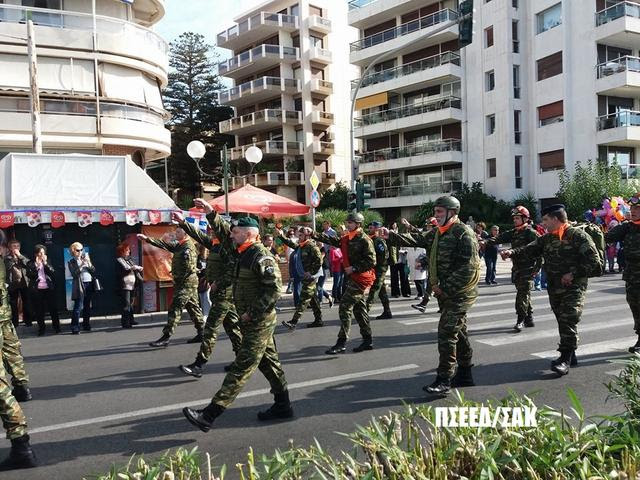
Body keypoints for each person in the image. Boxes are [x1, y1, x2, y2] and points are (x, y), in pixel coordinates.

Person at [182, 215, 292, 431]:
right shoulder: (243, 253)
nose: (231, 234)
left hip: (259, 321)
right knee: (269, 363)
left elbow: (274, 289)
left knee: (242, 366)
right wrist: (218, 283)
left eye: (236, 232)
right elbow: (233, 275)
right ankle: (283, 405)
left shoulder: (260, 256)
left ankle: (209, 414)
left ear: (248, 233)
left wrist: (251, 313)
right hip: (250, 320)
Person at [386, 196, 480, 395]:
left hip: (460, 293)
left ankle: (444, 378)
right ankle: (465, 373)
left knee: (446, 332)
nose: (436, 216)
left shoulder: (463, 233)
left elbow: (469, 268)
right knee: (459, 333)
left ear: (452, 213)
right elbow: (417, 238)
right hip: (445, 293)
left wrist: (443, 287)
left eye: (439, 212)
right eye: (436, 212)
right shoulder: (438, 232)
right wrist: (390, 235)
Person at [502, 204, 600, 376]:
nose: (543, 223)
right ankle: (571, 354)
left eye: (546, 219)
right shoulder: (547, 238)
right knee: (562, 320)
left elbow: (595, 263)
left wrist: (573, 273)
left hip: (574, 286)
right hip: (554, 287)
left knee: (568, 317)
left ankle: (564, 359)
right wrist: (511, 252)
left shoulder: (578, 236)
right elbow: (529, 250)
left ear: (556, 219)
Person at [173, 206, 242, 378]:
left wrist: (219, 282)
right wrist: (183, 222)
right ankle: (243, 360)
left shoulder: (229, 248)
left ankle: (199, 364)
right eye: (210, 230)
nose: (210, 232)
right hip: (219, 293)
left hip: (224, 294)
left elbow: (232, 271)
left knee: (210, 328)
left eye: (213, 230)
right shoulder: (215, 245)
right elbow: (198, 235)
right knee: (233, 328)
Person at [313, 212, 376, 354]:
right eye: (347, 222)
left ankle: (341, 342)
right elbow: (333, 241)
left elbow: (372, 261)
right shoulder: (347, 238)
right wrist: (313, 234)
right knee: (359, 310)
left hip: (360, 278)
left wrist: (354, 268)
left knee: (345, 306)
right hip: (352, 278)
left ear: (358, 224)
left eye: (351, 222)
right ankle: (368, 340)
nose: (348, 224)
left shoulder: (364, 239)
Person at [0, 230, 37, 471]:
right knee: (12, 354)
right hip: (3, 320)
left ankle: (21, 445)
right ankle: (22, 386)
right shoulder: (3, 261)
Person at [138, 228, 204, 347]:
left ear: (185, 234)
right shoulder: (180, 245)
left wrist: (177, 277)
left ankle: (166, 336)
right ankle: (202, 333)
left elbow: (189, 269)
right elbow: (164, 244)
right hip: (184, 283)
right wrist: (147, 239)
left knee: (175, 307)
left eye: (178, 232)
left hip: (186, 283)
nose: (175, 233)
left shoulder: (188, 248)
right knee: (193, 308)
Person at [483, 207, 541, 331]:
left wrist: (537, 268)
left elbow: (538, 250)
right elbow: (499, 238)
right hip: (517, 268)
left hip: (528, 268)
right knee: (525, 294)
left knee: (521, 295)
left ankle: (520, 320)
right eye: (514, 218)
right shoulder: (515, 232)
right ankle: (529, 318)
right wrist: (485, 242)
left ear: (525, 218)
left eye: (517, 218)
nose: (515, 220)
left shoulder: (531, 233)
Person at [605, 194, 640, 353]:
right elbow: (607, 237)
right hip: (632, 276)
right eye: (632, 208)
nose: (633, 211)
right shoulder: (627, 227)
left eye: (637, 208)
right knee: (635, 306)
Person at [277, 226, 323, 329]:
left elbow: (319, 261)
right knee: (314, 300)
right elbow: (290, 243)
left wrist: (310, 272)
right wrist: (281, 236)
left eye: (301, 235)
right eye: (299, 234)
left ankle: (293, 322)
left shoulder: (311, 246)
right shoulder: (301, 246)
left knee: (303, 300)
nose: (299, 236)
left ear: (307, 235)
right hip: (304, 276)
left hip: (310, 278)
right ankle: (318, 320)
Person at [26, 245, 60, 335]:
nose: (41, 254)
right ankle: (41, 329)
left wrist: (45, 264)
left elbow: (53, 273)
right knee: (39, 311)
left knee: (53, 308)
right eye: (39, 253)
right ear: (36, 254)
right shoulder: (30, 263)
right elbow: (29, 275)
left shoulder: (48, 261)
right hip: (37, 289)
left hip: (48, 288)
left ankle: (57, 327)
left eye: (43, 253)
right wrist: (36, 266)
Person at [67, 242, 97, 334]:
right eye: (78, 250)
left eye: (81, 250)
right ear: (73, 251)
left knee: (87, 306)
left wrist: (88, 264)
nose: (80, 252)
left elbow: (93, 270)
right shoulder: (71, 262)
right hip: (79, 285)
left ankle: (86, 324)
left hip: (89, 282)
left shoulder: (85, 258)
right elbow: (74, 274)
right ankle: (75, 327)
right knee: (78, 307)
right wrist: (81, 266)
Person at [366, 221, 392, 319]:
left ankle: (365, 311)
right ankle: (387, 311)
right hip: (375, 268)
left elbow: (384, 255)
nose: (370, 229)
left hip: (380, 268)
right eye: (370, 227)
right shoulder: (371, 240)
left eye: (372, 227)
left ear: (377, 229)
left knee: (374, 289)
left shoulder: (379, 241)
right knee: (382, 290)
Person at [4, 241, 32, 327]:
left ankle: (28, 321)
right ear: (10, 248)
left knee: (26, 302)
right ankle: (15, 322)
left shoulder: (24, 256)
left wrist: (19, 256)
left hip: (24, 282)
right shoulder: (6, 258)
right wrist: (14, 258)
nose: (16, 248)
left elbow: (28, 264)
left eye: (18, 246)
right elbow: (8, 267)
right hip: (13, 283)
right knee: (13, 303)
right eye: (14, 246)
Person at [115, 243, 143, 329]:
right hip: (125, 285)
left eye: (128, 250)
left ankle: (131, 320)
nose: (128, 251)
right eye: (126, 250)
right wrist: (132, 268)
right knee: (126, 304)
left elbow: (133, 269)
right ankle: (125, 322)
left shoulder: (129, 260)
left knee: (131, 303)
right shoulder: (119, 260)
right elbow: (121, 273)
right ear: (122, 251)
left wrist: (138, 268)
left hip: (132, 284)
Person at [196, 245, 211, 320]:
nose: (204, 252)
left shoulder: (209, 258)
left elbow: (211, 269)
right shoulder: (198, 258)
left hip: (208, 280)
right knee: (202, 297)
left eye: (206, 250)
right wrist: (199, 270)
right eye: (203, 250)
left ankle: (207, 314)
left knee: (207, 297)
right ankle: (204, 314)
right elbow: (196, 267)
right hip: (200, 280)